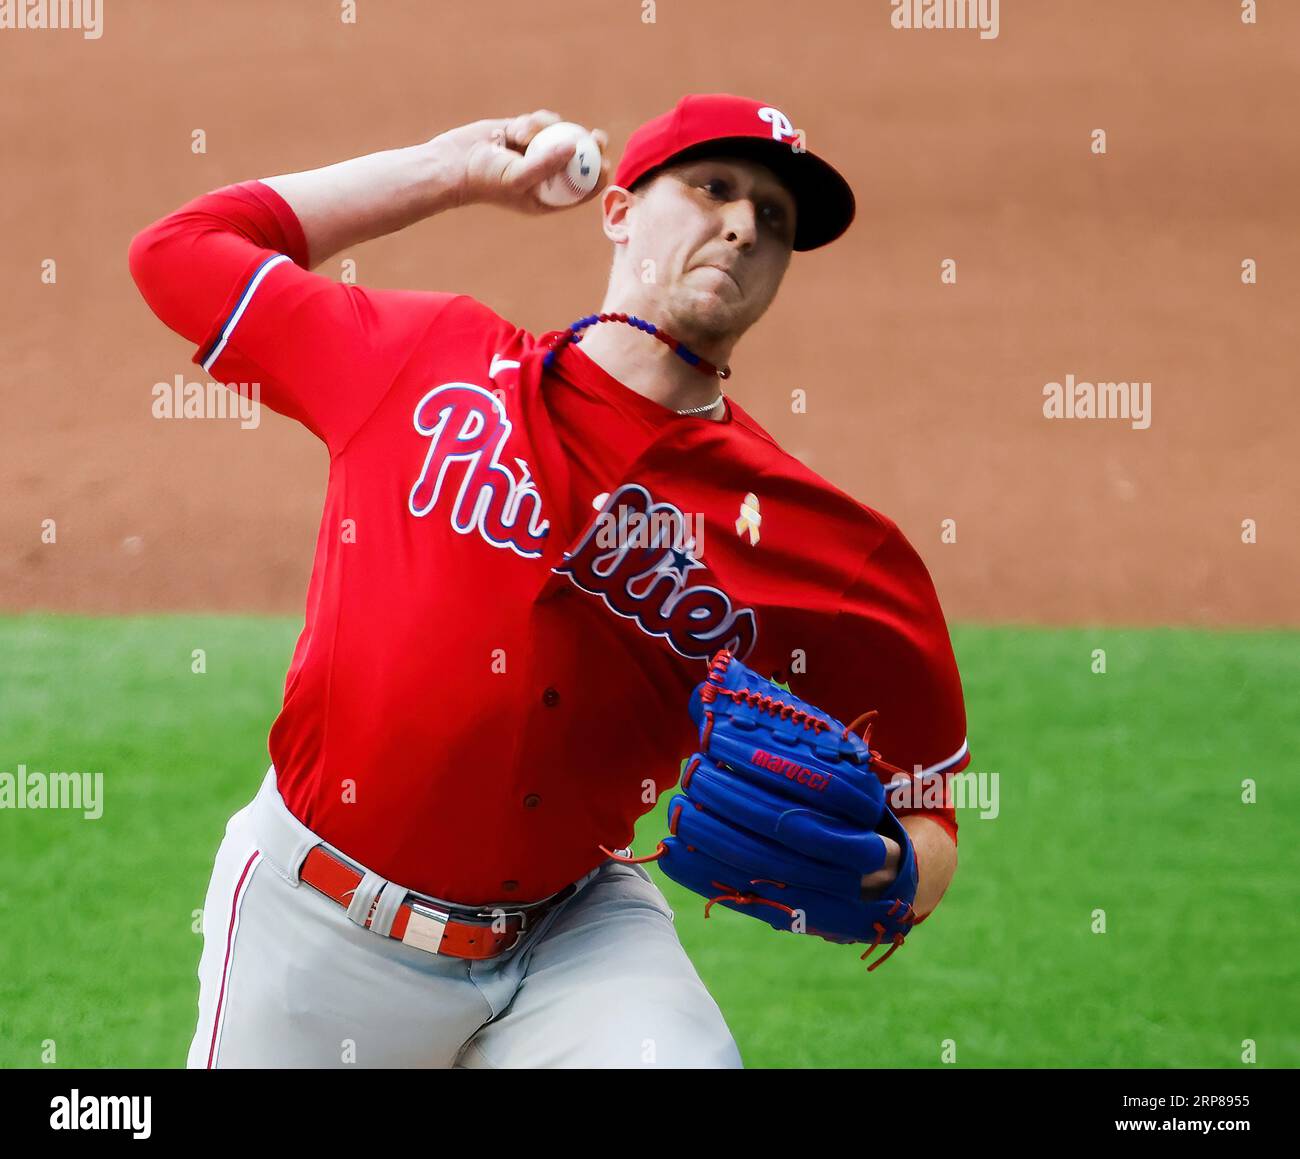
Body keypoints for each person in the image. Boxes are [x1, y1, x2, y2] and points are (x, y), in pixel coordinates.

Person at [128, 93, 971, 1069]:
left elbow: (927, 805)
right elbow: (180, 251)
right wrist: (448, 170)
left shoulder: (814, 536)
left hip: (572, 941)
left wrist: (886, 872)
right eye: (713, 188)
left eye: (773, 219)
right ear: (617, 210)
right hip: (312, 928)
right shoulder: (425, 359)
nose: (742, 224)